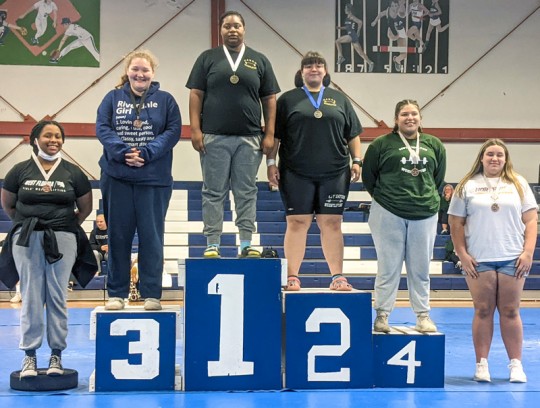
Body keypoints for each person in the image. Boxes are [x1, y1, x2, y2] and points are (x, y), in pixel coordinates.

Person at [0, 120, 94, 378]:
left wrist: (62, 225)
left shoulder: (73, 172)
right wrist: (27, 223)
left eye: (58, 136)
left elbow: (84, 208)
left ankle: (56, 355)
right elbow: (9, 205)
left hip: (63, 237)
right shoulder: (19, 170)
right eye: (48, 135)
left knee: (57, 295)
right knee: (30, 295)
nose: (54, 140)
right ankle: (29, 356)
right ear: (35, 139)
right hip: (27, 237)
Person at [186, 10, 280, 259]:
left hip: (250, 139)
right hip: (213, 137)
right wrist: (195, 130)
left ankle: (246, 243)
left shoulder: (259, 60)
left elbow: (269, 99)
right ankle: (212, 244)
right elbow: (196, 94)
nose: (232, 30)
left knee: (246, 192)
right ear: (221, 30)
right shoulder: (208, 58)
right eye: (227, 26)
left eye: (237, 26)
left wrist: (270, 133)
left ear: (244, 29)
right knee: (213, 192)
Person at [267, 51, 362, 291]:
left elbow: (353, 134)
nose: (314, 68)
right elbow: (275, 136)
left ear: (325, 71)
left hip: (335, 172)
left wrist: (357, 160)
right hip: (295, 172)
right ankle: (292, 277)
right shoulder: (287, 100)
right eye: (309, 65)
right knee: (297, 222)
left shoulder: (339, 99)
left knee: (332, 222)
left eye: (319, 65)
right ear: (301, 72)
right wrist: (270, 163)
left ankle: (337, 277)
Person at [96, 49, 181, 311]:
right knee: (118, 236)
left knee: (151, 237)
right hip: (117, 177)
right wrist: (123, 153)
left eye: (145, 70)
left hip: (153, 179)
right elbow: (102, 128)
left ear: (153, 73)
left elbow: (173, 131)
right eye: (135, 69)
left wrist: (146, 153)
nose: (140, 74)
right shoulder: (112, 98)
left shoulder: (166, 100)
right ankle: (116, 293)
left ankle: (152, 293)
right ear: (127, 71)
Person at [448, 139, 537, 383]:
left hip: (512, 257)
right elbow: (455, 223)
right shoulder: (467, 185)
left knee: (510, 310)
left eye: (499, 154)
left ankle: (516, 365)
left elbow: (531, 220)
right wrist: (462, 254)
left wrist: (528, 252)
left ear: (506, 159)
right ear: (482, 158)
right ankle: (481, 364)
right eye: (490, 154)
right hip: (479, 259)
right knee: (483, 310)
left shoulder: (518, 183)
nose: (495, 158)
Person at [362, 99, 446, 333]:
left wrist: (424, 197)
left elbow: (437, 178)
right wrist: (387, 197)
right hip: (388, 210)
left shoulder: (434, 144)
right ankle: (382, 315)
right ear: (396, 119)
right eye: (404, 114)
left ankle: (422, 315)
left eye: (414, 114)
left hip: (425, 211)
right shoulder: (381, 144)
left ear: (420, 118)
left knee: (421, 268)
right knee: (388, 267)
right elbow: (369, 177)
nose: (410, 118)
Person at [335, 3, 374, 72]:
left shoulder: (352, 17)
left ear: (349, 9)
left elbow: (360, 22)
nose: (344, 9)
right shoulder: (348, 17)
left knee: (337, 41)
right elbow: (347, 27)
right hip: (352, 36)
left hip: (352, 35)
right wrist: (339, 28)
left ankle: (341, 57)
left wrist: (358, 31)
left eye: (345, 8)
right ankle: (370, 63)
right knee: (360, 53)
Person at [371, 0, 408, 72]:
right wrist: (375, 21)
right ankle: (394, 36)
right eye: (393, 6)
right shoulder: (388, 11)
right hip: (392, 30)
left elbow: (403, 13)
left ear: (398, 5)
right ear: (390, 6)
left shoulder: (401, 9)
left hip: (400, 30)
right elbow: (380, 14)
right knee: (392, 36)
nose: (394, 8)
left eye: (396, 6)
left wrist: (402, 5)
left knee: (404, 54)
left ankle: (397, 59)